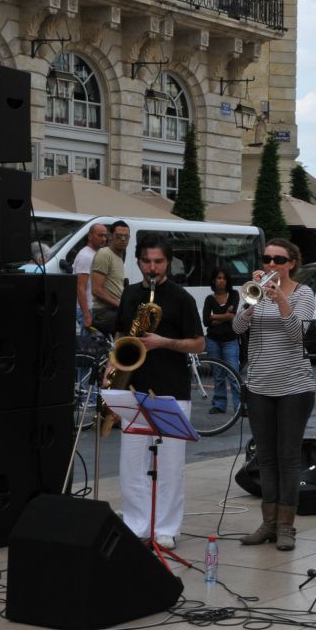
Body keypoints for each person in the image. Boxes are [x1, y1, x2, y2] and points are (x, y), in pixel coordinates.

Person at [114, 235, 205, 551]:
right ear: (138, 261)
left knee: (168, 466)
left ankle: (166, 527)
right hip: (133, 388)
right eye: (146, 261)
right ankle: (136, 523)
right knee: (131, 464)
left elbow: (199, 343)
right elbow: (121, 332)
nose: (152, 268)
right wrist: (116, 360)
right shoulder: (129, 293)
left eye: (158, 262)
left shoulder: (182, 298)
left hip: (171, 391)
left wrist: (163, 342)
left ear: (168, 262)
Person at [233, 239, 316, 552]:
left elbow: (298, 333)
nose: (270, 264)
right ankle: (267, 523)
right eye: (266, 258)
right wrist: (252, 301)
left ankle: (286, 527)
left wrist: (280, 296)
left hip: (295, 386)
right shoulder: (254, 291)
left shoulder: (303, 293)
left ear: (291, 262)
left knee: (288, 458)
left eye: (278, 259)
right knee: (265, 459)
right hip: (259, 385)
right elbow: (237, 328)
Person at [202, 268, 242, 415]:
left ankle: (240, 406)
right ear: (213, 280)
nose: (221, 281)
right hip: (213, 340)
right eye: (218, 278)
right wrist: (225, 315)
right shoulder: (209, 299)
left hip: (230, 340)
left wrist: (215, 317)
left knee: (233, 374)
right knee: (218, 375)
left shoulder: (234, 295)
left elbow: (233, 316)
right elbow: (206, 321)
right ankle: (219, 404)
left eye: (224, 278)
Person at [92, 220, 130, 336]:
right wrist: (121, 305)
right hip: (104, 311)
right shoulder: (105, 254)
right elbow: (96, 289)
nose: (123, 239)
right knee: (134, 327)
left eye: (126, 237)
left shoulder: (118, 256)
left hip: (113, 310)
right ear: (110, 236)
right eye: (119, 236)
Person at [73, 223, 108, 333]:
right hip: (87, 310)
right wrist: (86, 315)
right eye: (100, 235)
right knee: (90, 348)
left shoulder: (97, 254)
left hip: (95, 309)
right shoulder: (85, 256)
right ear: (90, 236)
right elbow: (80, 287)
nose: (103, 239)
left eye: (105, 236)